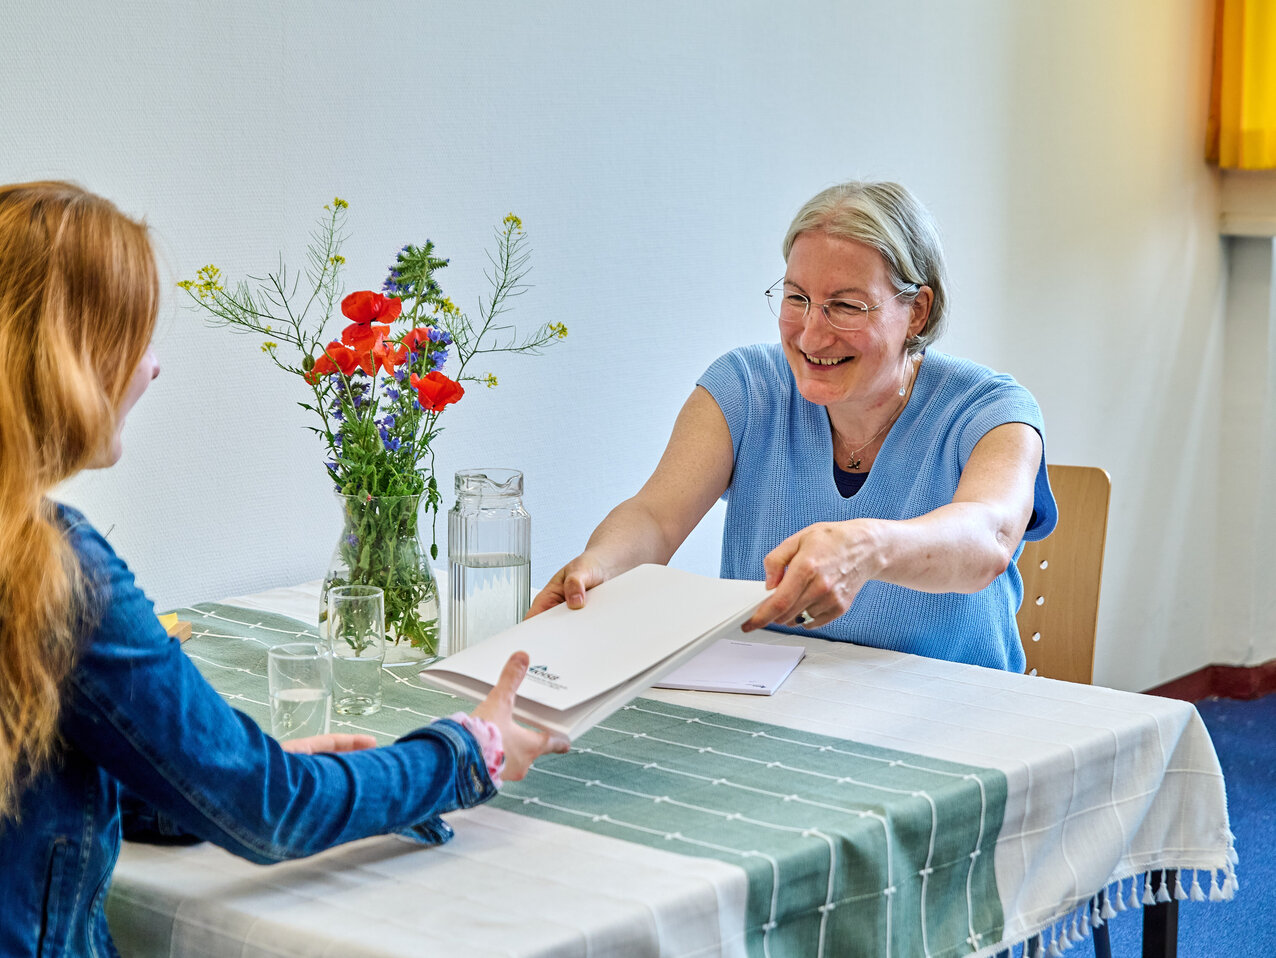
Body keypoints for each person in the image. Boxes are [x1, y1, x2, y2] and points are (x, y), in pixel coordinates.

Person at [0, 181, 568, 957]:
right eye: (135, 337)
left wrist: (203, 779)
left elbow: (31, 787)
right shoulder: (58, 571)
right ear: (64, 357)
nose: (154, 368)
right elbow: (269, 812)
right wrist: (471, 749)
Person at [531, 180, 1057, 673]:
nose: (810, 335)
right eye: (797, 298)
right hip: (771, 704)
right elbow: (656, 517)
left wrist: (867, 547)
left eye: (845, 306)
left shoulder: (990, 409)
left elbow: (989, 538)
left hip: (949, 709)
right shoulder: (746, 386)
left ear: (917, 312)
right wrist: (599, 566)